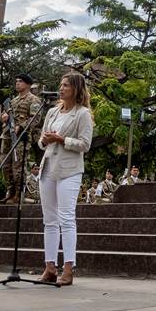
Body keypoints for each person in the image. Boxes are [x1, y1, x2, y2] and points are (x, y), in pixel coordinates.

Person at [38, 72, 94, 286]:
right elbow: (41, 141)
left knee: (66, 218)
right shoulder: (52, 112)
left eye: (66, 86)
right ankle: (49, 266)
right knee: (49, 220)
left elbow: (85, 144)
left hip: (69, 170)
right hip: (48, 167)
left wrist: (61, 139)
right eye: (60, 85)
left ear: (76, 89)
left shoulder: (83, 114)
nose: (61, 89)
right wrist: (44, 140)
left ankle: (68, 268)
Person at [0, 74, 43, 203]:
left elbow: (35, 118)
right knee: (5, 165)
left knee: (18, 166)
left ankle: (19, 193)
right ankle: (10, 191)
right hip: (7, 135)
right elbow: (5, 115)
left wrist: (21, 126)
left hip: (21, 137)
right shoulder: (12, 101)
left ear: (28, 85)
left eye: (21, 81)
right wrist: (4, 118)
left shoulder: (33, 100)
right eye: (16, 81)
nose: (17, 83)